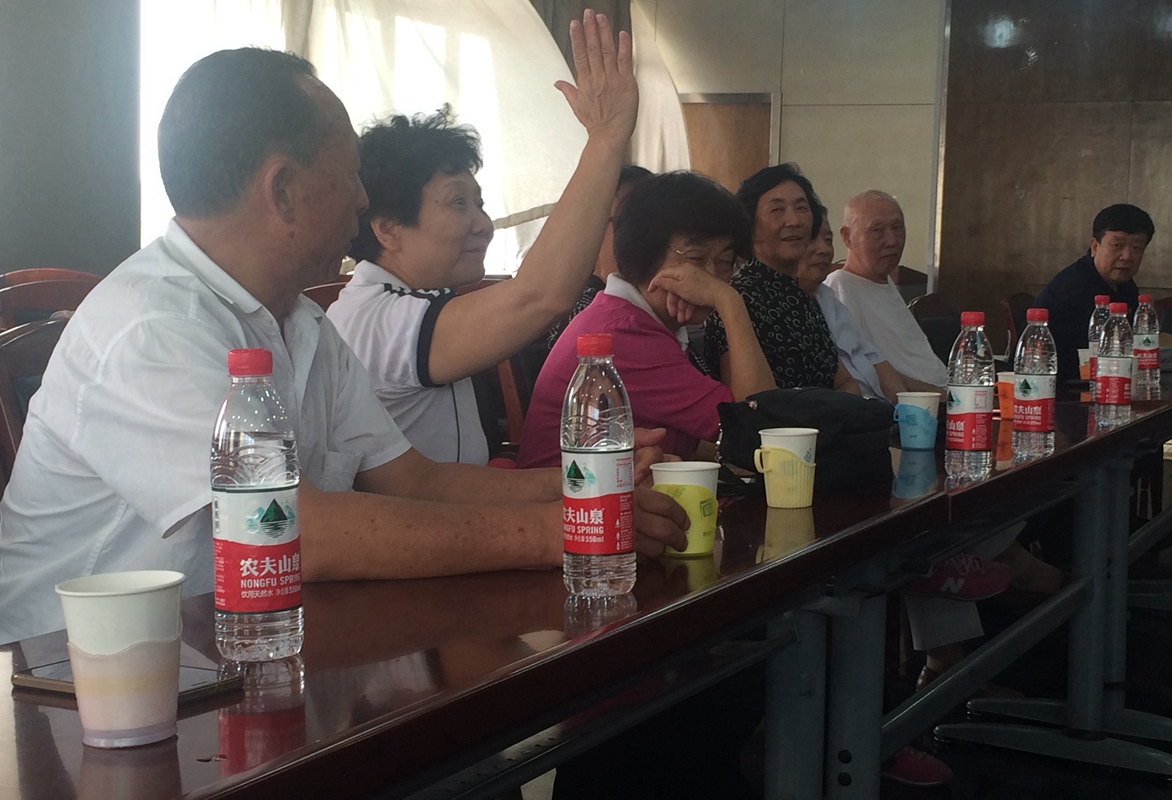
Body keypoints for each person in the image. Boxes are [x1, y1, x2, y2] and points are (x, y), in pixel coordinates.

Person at [0, 20, 688, 644]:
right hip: (80, 684)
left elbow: (410, 480)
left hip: (242, 650)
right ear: (282, 190)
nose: (361, 200)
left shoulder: (299, 322)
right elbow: (293, 531)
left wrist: (589, 490)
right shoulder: (151, 327)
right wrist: (559, 530)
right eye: (351, 174)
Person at [327, 41, 640, 464]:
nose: (483, 224)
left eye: (480, 203)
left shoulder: (410, 302)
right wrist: (606, 138)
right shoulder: (378, 321)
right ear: (388, 229)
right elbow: (541, 297)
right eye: (458, 203)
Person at [517, 171, 777, 467]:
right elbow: (760, 427)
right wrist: (730, 301)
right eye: (695, 259)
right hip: (573, 494)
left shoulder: (630, 316)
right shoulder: (624, 333)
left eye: (725, 262)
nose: (712, 277)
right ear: (643, 253)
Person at [704, 164, 860, 394]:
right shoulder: (738, 299)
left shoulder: (801, 297)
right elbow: (746, 402)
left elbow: (845, 381)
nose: (794, 221)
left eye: (802, 208)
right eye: (777, 210)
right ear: (750, 224)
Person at [824, 190, 946, 394]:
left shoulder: (884, 281)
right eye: (877, 230)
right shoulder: (840, 286)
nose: (892, 241)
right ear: (847, 237)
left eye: (897, 228)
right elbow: (865, 370)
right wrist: (941, 397)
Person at [1033, 203, 1165, 382]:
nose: (1127, 256)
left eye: (1136, 248)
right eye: (1117, 245)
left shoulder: (1124, 285)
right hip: (1062, 386)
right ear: (1095, 246)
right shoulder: (1073, 287)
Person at [797, 212, 906, 404]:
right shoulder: (792, 304)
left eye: (828, 240)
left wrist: (907, 409)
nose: (824, 249)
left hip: (877, 410)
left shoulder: (827, 297)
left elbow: (875, 359)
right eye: (811, 239)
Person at [546, 164, 653, 349]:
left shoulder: (661, 301)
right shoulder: (584, 308)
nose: (650, 235)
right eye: (632, 221)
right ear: (591, 230)